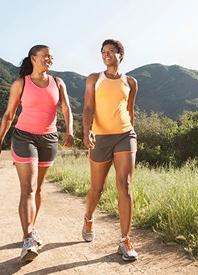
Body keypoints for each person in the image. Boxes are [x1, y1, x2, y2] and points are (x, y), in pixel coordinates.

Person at [0, 45, 74, 262]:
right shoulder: (21, 84)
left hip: (49, 139)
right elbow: (9, 114)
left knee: (38, 189)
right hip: (24, 137)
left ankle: (32, 228)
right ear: (33, 58)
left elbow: (66, 108)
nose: (50, 59)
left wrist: (70, 130)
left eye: (51, 56)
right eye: (46, 55)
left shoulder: (58, 82)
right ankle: (28, 239)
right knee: (28, 188)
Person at [82, 39, 139, 261]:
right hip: (100, 137)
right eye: (103, 51)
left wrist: (133, 134)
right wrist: (86, 131)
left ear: (120, 55)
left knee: (124, 185)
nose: (106, 54)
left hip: (125, 135)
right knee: (97, 189)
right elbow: (88, 107)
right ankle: (88, 217)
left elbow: (130, 110)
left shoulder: (131, 82)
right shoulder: (94, 79)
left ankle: (125, 240)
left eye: (111, 51)